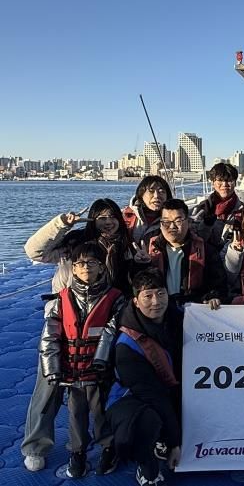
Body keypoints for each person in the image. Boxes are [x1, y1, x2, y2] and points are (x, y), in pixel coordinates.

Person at [22, 198, 132, 472]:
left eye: (112, 216)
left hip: (104, 324)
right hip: (65, 326)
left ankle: (106, 445)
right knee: (48, 388)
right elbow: (34, 250)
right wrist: (60, 224)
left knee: (100, 397)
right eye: (101, 216)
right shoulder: (72, 245)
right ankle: (36, 446)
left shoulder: (126, 245)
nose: (108, 221)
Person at [38, 242, 126, 477]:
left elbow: (113, 331)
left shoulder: (115, 298)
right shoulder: (61, 299)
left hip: (101, 372)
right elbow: (49, 336)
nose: (86, 267)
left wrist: (102, 361)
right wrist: (52, 369)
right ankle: (77, 452)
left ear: (102, 267)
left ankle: (108, 447)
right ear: (73, 268)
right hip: (72, 372)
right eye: (80, 263)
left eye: (92, 262)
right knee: (75, 414)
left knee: (102, 412)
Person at [106, 269, 182, 486]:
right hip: (132, 399)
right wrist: (175, 442)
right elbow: (153, 395)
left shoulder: (179, 319)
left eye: (161, 293)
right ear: (136, 301)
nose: (156, 302)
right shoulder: (127, 345)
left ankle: (164, 438)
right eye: (148, 296)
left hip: (170, 390)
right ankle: (147, 466)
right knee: (145, 422)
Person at [134, 199, 227, 306]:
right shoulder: (149, 249)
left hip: (192, 308)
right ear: (160, 224)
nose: (172, 226)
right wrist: (140, 265)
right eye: (166, 221)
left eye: (178, 221)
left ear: (188, 222)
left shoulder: (206, 250)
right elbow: (136, 286)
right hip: (160, 308)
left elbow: (219, 285)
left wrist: (213, 297)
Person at [191, 162, 244, 250]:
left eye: (229, 180)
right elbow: (194, 239)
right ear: (213, 183)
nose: (225, 184)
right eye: (220, 180)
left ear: (235, 183)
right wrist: (206, 224)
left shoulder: (243, 211)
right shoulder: (201, 209)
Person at [122, 175, 173, 244]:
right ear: (141, 194)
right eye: (151, 191)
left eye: (161, 191)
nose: (156, 196)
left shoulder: (174, 219)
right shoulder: (124, 215)